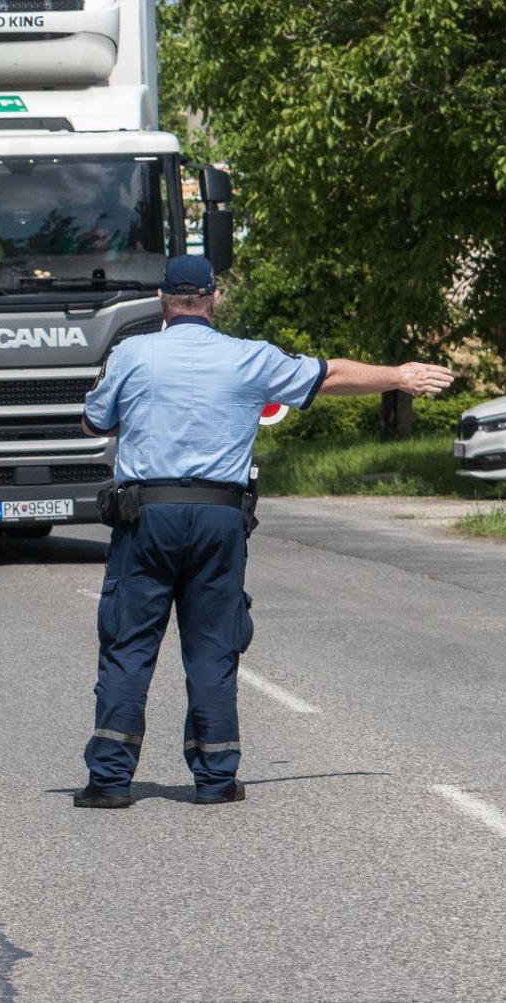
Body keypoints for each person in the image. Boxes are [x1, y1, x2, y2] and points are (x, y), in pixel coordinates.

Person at [74, 256, 453, 808]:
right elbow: (332, 374)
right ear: (214, 298)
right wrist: (399, 375)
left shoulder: (131, 355)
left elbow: (93, 422)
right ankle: (215, 779)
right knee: (211, 645)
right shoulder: (248, 358)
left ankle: (109, 783)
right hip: (219, 518)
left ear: (162, 299)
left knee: (129, 645)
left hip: (145, 516)